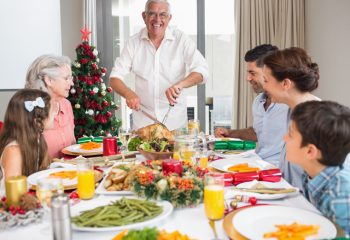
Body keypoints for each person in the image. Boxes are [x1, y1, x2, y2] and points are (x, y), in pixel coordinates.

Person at [109, 0, 209, 130]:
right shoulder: (133, 43)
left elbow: (202, 71)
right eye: (152, 14)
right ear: (144, 16)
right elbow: (114, 77)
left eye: (163, 15)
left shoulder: (181, 40)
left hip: (175, 127)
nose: (157, 19)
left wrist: (180, 84)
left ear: (169, 18)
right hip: (144, 127)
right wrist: (128, 93)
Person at [215, 44, 289, 166]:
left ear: (268, 71)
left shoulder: (290, 104)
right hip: (258, 162)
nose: (247, 78)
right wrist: (229, 133)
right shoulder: (258, 102)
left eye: (252, 73)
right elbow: (257, 133)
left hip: (278, 169)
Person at [285, 101, 350, 236]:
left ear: (310, 151)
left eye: (290, 135)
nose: (284, 138)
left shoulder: (339, 195)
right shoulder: (312, 173)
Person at [261, 47, 321, 191]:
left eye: (266, 80)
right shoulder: (292, 110)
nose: (264, 86)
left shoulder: (316, 119)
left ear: (286, 84)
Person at [0, 89, 56, 191]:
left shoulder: (38, 140)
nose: (55, 115)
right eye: (52, 111)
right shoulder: (14, 151)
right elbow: (14, 193)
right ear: (36, 121)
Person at [25, 54, 76, 159]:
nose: (71, 83)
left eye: (71, 78)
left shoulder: (66, 105)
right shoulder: (31, 108)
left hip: (68, 173)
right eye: (66, 78)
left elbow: (72, 147)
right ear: (49, 80)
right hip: (40, 174)